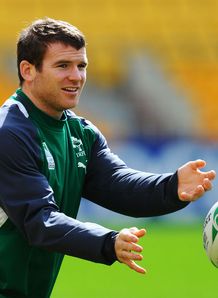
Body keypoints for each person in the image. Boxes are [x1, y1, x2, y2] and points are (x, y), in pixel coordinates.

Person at [0, 17, 216, 298]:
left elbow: (117, 184)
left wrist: (171, 186)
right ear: (28, 70)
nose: (76, 76)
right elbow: (39, 221)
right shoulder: (10, 133)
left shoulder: (79, 132)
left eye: (81, 66)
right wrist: (107, 242)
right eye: (63, 66)